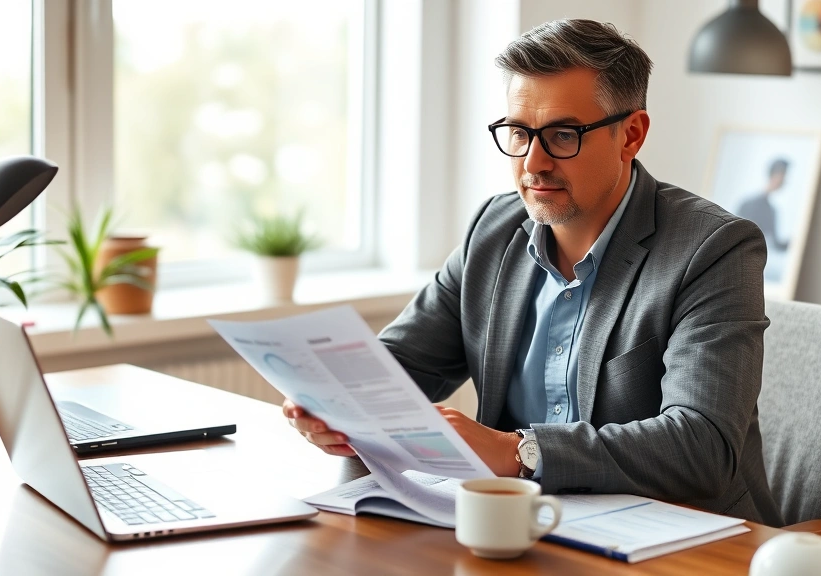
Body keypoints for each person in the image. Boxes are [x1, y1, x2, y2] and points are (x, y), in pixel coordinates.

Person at [283, 19, 784, 526]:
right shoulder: (493, 230)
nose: (533, 162)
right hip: (514, 528)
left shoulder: (714, 248)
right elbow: (403, 362)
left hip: (682, 536)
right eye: (519, 133)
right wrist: (335, 403)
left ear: (631, 135)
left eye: (563, 135)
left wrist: (518, 452)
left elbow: (703, 446)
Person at [737, 158, 791, 253]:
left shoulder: (772, 211)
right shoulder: (748, 204)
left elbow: (775, 243)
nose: (784, 180)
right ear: (775, 176)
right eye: (783, 176)